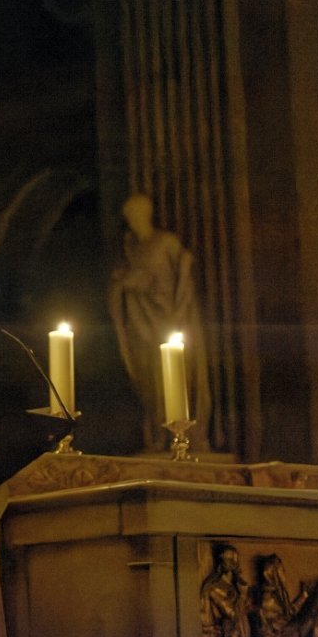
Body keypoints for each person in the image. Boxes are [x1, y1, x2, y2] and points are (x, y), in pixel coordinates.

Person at [107, 192, 214, 451]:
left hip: (170, 317)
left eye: (135, 214)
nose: (132, 220)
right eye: (128, 217)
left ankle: (187, 437)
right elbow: (124, 278)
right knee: (152, 382)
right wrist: (123, 284)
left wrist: (178, 311)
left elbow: (184, 271)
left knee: (180, 377)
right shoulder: (130, 246)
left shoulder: (166, 242)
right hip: (142, 323)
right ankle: (158, 435)